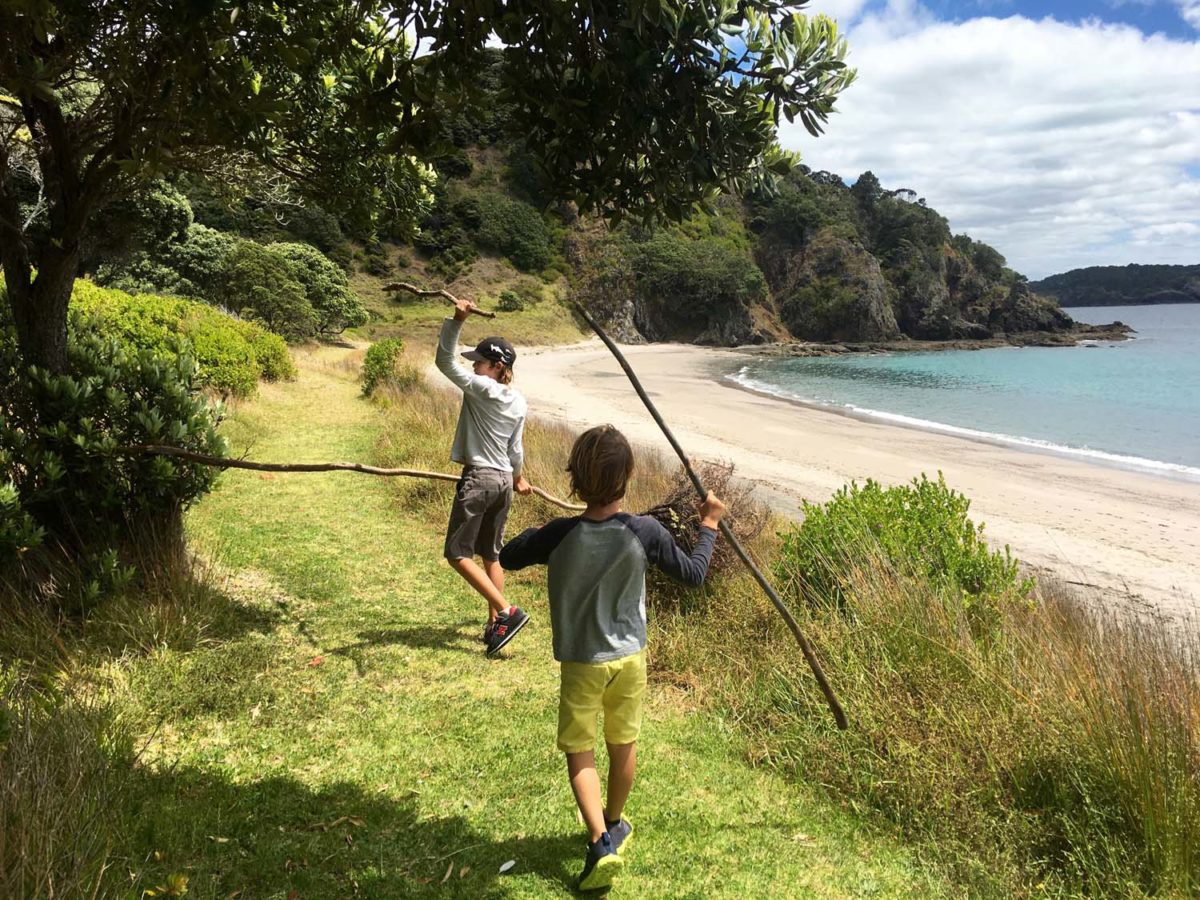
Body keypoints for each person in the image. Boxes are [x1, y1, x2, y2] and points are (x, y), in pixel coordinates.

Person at [499, 425, 726, 892]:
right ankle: (615, 822)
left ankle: (601, 839)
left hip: (582, 661)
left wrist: (536, 531)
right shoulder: (644, 531)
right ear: (628, 477)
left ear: (574, 480)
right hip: (629, 658)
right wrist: (709, 525)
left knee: (579, 749)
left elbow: (509, 554)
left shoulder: (560, 535)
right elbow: (695, 574)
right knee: (623, 743)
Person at [435, 296, 532, 657]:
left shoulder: (482, 388)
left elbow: (443, 361)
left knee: (457, 553)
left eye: (479, 363)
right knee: (491, 555)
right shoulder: (518, 400)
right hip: (504, 480)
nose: (474, 368)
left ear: (495, 366)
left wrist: (457, 319)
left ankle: (506, 613)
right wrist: (519, 478)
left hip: (479, 479)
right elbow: (516, 450)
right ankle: (495, 628)